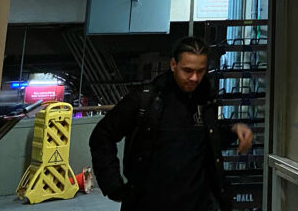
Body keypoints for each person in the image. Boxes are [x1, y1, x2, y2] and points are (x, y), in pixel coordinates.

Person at [89, 37, 254, 211]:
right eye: (187, 70)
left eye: (200, 71)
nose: (194, 78)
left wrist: (233, 130)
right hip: (150, 203)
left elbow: (203, 141)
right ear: (173, 65)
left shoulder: (204, 100)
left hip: (198, 204)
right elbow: (102, 136)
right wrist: (112, 185)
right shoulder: (147, 99)